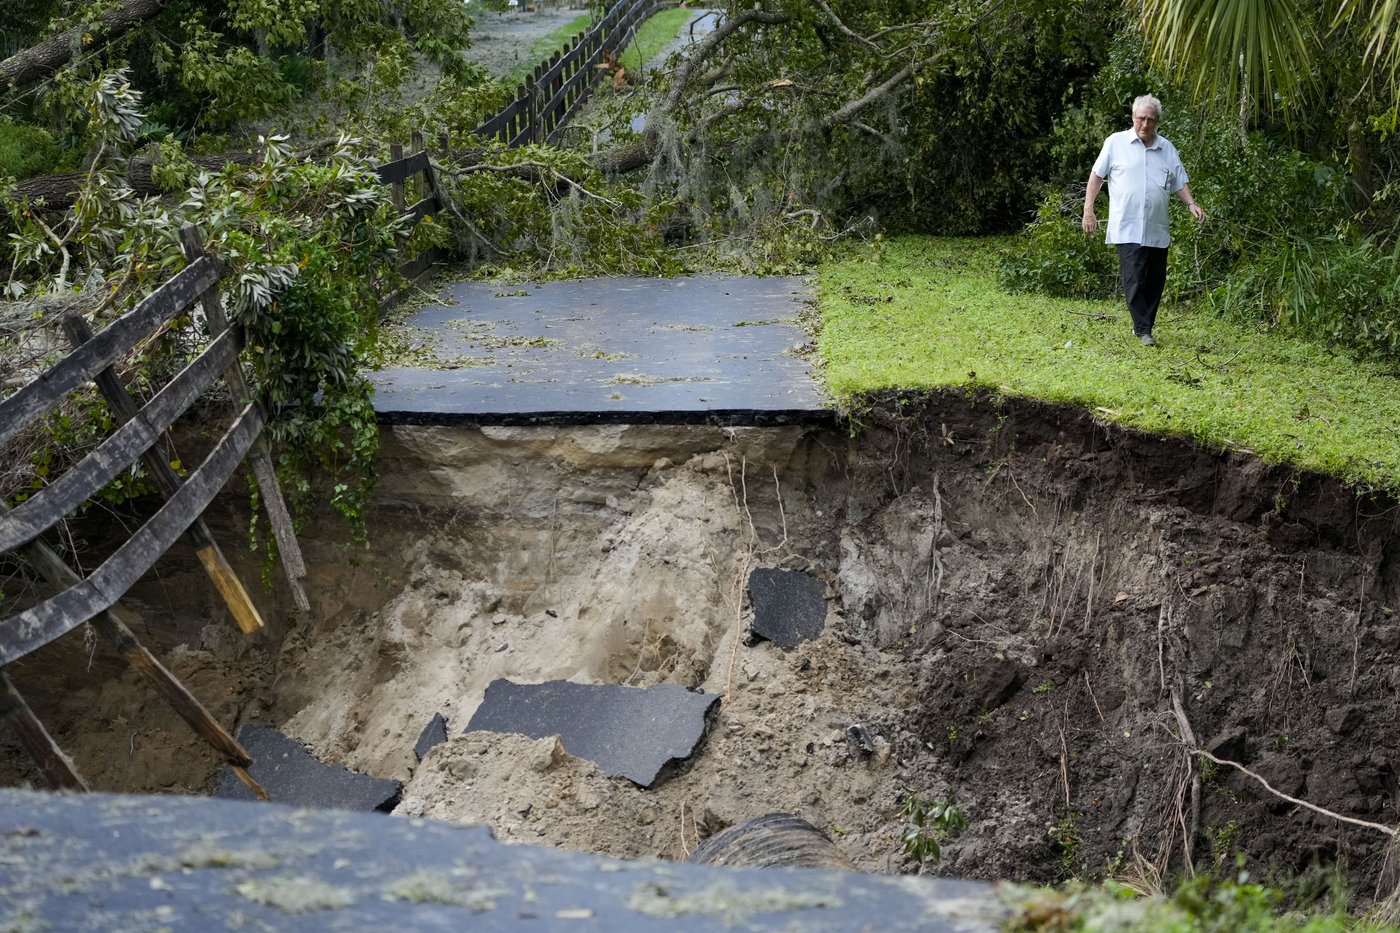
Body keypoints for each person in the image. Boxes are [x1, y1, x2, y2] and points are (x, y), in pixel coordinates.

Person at [1082, 95, 1206, 346]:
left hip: (1156, 227)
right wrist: (1088, 209)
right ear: (1133, 117)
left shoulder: (1167, 148)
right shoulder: (1115, 143)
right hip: (1127, 225)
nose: (1145, 124)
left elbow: (1179, 182)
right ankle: (1143, 330)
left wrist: (1191, 203)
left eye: (1150, 119)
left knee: (1155, 279)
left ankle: (1144, 325)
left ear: (1157, 121)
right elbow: (1097, 176)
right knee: (1135, 277)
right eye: (1141, 118)